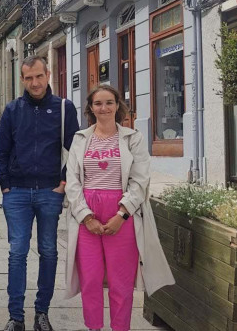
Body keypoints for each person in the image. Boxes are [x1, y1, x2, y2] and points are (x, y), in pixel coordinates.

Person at [64, 85, 174, 331]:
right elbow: (72, 182)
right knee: (90, 279)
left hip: (122, 214)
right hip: (87, 215)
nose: (104, 108)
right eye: (98, 103)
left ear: (117, 106)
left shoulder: (133, 138)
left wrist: (122, 214)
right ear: (91, 108)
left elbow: (140, 180)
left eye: (109, 102)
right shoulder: (80, 138)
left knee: (120, 282)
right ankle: (94, 327)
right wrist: (85, 216)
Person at [0, 55, 80, 331]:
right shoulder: (12, 110)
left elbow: (75, 151)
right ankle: (15, 316)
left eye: (38, 76)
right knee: (17, 252)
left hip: (49, 191)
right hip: (16, 192)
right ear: (22, 79)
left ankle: (41, 313)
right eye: (28, 78)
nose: (34, 82)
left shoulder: (64, 108)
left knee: (49, 251)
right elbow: (1, 150)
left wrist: (63, 184)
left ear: (48, 74)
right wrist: (5, 183)